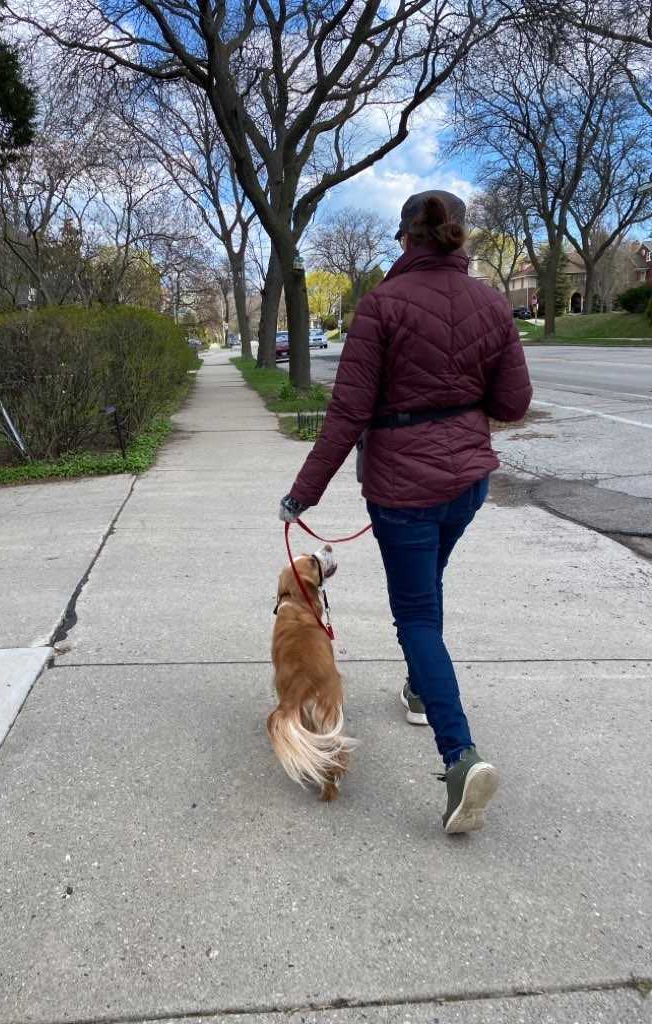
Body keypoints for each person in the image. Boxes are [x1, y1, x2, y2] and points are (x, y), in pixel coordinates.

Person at [279, 190, 532, 834]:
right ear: (457, 237)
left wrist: (303, 493)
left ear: (405, 238)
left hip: (403, 489)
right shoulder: (492, 303)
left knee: (416, 612)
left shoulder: (383, 306)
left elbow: (347, 414)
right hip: (467, 483)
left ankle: (460, 756)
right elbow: (513, 401)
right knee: (427, 588)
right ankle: (422, 689)